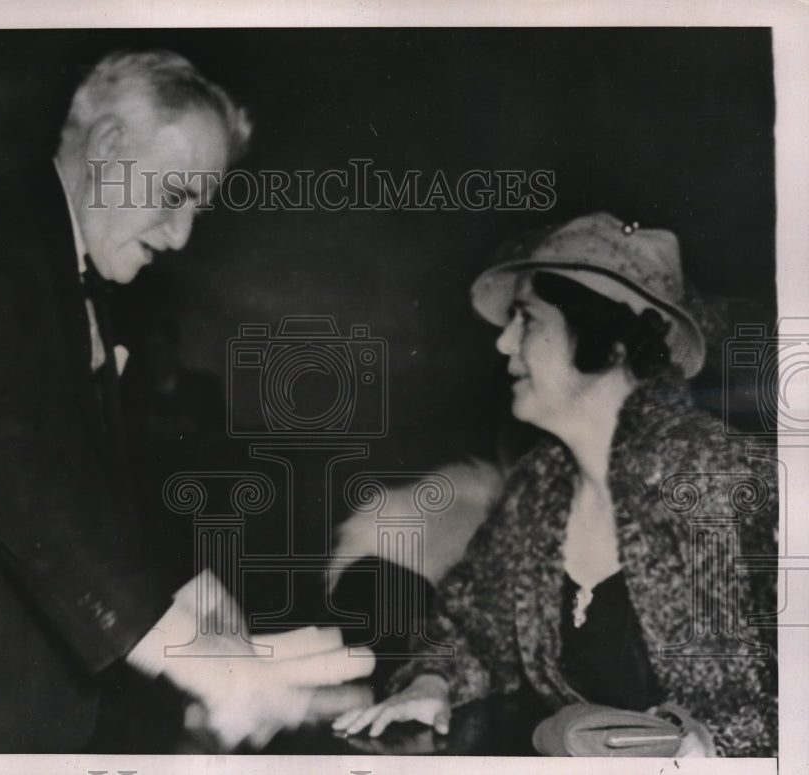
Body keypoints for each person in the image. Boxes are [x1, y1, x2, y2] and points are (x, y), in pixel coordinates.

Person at [0, 49, 312, 753]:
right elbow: (20, 469)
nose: (182, 236)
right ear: (110, 146)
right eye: (175, 196)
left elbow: (81, 481)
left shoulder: (56, 262)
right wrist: (195, 658)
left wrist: (183, 587)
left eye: (198, 209)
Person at [333, 213, 778, 757]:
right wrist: (433, 684)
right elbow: (473, 626)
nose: (502, 344)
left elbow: (776, 693)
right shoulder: (539, 486)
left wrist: (718, 748)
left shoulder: (717, 477)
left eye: (526, 318)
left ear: (607, 339)